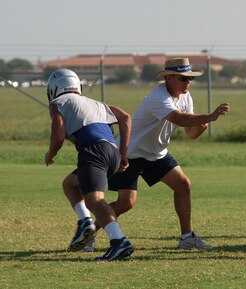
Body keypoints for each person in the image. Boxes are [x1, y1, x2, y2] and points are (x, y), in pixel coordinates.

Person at [107, 57, 230, 251]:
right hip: (130, 153)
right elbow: (179, 119)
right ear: (169, 78)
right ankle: (90, 230)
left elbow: (190, 133)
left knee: (183, 185)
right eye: (183, 78)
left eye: (190, 78)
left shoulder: (185, 96)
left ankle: (186, 237)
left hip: (156, 154)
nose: (187, 82)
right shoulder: (158, 97)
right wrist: (210, 116)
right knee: (126, 203)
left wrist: (201, 127)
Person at [44, 68, 134, 261]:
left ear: (54, 89)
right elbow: (125, 117)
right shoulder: (96, 103)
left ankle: (119, 241)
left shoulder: (57, 103)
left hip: (93, 151)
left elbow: (58, 135)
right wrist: (123, 154)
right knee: (70, 184)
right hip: (111, 152)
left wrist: (50, 153)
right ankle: (85, 221)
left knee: (95, 200)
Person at [62, 170, 137, 252]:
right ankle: (90, 232)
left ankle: (88, 225)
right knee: (126, 202)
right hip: (130, 159)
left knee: (94, 199)